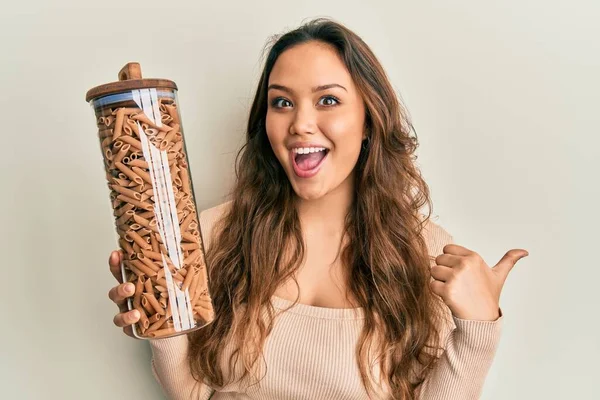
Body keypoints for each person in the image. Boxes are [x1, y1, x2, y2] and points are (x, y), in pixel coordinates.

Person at [107, 17, 527, 399]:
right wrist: (160, 322)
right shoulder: (212, 234)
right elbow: (193, 394)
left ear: (368, 119)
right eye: (282, 102)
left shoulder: (424, 252)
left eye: (327, 100)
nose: (300, 124)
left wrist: (478, 328)